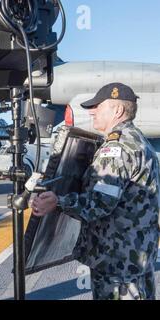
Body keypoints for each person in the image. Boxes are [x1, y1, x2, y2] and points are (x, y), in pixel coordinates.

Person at [31, 83, 159, 300]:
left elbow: (98, 204)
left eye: (98, 107)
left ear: (117, 111)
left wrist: (58, 201)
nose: (91, 111)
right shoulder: (138, 141)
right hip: (136, 255)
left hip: (117, 264)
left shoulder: (116, 149)